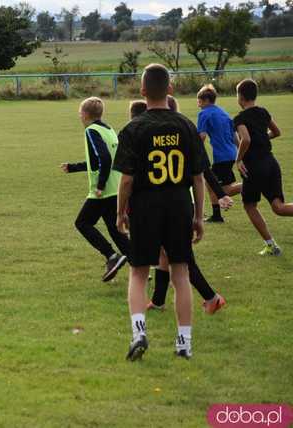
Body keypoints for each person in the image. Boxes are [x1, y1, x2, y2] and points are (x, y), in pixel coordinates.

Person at [114, 64, 206, 361]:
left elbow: (126, 180)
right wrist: (199, 216)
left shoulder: (133, 128)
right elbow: (198, 177)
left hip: (145, 205)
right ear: (170, 89)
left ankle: (139, 332)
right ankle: (184, 343)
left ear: (142, 92)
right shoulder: (186, 126)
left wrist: (120, 213)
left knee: (139, 272)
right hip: (180, 203)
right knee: (181, 271)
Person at [130, 99, 227, 315]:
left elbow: (203, 173)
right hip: (180, 203)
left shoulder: (170, 134)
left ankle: (212, 298)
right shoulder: (182, 132)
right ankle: (158, 300)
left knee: (181, 259)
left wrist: (210, 206)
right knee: (165, 255)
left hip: (177, 204)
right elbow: (202, 172)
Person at [61, 97, 129, 282]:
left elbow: (105, 159)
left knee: (82, 223)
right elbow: (99, 160)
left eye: (79, 112)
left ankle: (111, 255)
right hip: (115, 187)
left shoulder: (91, 131)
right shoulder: (108, 129)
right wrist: (73, 167)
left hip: (103, 190)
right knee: (115, 229)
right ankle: (139, 266)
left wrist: (100, 186)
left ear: (84, 114)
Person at [234, 79, 292, 256]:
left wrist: (238, 159)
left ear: (240, 97)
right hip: (271, 162)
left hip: (254, 166)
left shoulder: (239, 118)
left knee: (250, 205)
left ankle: (271, 245)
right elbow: (277, 132)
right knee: (278, 207)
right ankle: (270, 245)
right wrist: (263, 138)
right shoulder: (263, 112)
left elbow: (246, 139)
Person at [196, 84, 242, 223]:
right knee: (211, 184)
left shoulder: (204, 113)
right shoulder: (224, 113)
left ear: (206, 100)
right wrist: (241, 153)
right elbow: (235, 136)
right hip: (231, 154)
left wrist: (195, 152)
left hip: (221, 156)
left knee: (222, 190)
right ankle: (217, 215)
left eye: (199, 101)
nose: (198, 105)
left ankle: (253, 183)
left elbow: (202, 136)